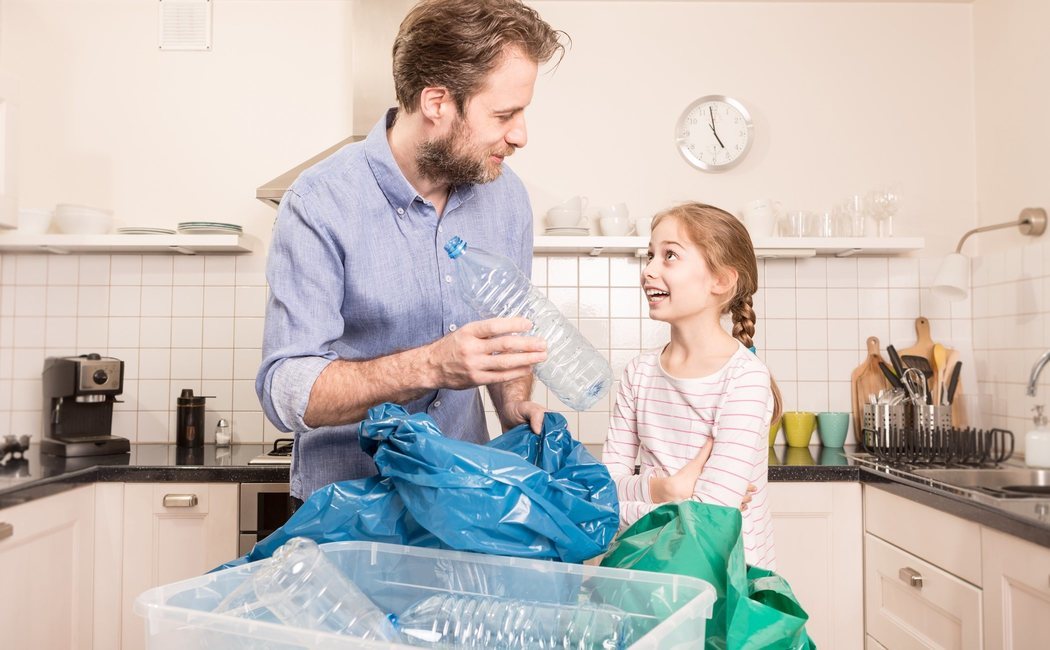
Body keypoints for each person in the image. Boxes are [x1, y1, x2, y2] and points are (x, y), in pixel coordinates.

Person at [256, 0, 567, 503]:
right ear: (437, 102)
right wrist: (431, 366)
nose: (520, 135)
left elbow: (508, 328)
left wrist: (514, 404)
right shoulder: (320, 202)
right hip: (350, 508)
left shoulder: (506, 197)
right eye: (504, 114)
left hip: (466, 500)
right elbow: (287, 389)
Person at [602, 202, 782, 569]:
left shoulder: (745, 378)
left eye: (669, 255)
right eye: (650, 255)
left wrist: (632, 503)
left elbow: (710, 521)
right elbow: (602, 490)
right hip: (647, 571)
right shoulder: (638, 373)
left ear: (721, 280)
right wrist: (665, 492)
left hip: (727, 584)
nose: (648, 270)